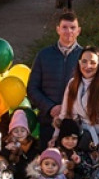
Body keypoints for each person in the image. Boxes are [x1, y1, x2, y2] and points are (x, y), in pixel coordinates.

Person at [28, 12, 83, 151]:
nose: (68, 31)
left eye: (72, 27)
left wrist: (70, 109)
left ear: (78, 30)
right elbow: (32, 88)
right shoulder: (44, 55)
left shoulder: (85, 57)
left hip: (76, 125)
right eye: (64, 27)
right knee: (48, 166)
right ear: (58, 29)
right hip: (48, 123)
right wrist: (50, 108)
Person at [56, 46, 99, 150]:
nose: (88, 66)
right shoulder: (72, 83)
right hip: (75, 140)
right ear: (79, 63)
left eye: (93, 62)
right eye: (84, 61)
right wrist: (55, 138)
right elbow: (64, 115)